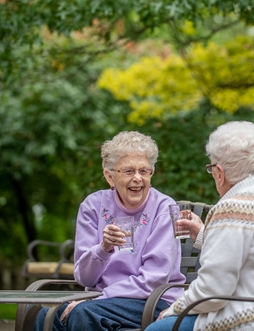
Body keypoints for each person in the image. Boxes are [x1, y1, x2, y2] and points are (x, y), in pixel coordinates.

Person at [145, 121, 254, 331]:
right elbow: (253, 254)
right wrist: (203, 235)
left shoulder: (232, 208)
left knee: (156, 328)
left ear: (219, 172)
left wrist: (173, 309)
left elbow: (211, 292)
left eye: (211, 168)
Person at [35, 131, 186, 331]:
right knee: (45, 315)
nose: (138, 178)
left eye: (144, 171)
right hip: (100, 302)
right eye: (129, 171)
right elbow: (84, 278)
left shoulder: (164, 208)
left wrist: (99, 299)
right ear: (109, 176)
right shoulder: (93, 206)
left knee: (84, 313)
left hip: (153, 300)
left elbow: (153, 280)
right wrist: (103, 249)